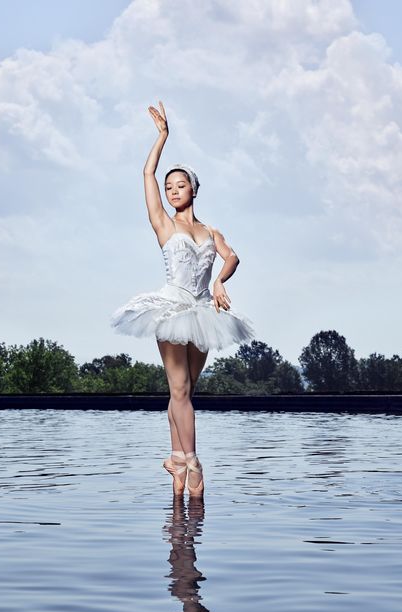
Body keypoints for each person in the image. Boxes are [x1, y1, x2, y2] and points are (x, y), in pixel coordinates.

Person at [110, 101, 255, 497]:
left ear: (193, 189)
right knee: (179, 390)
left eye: (180, 185)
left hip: (204, 312)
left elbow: (232, 257)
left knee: (186, 390)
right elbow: (147, 174)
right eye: (169, 186)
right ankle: (192, 462)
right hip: (172, 309)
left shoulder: (211, 229)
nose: (173, 191)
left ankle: (176, 458)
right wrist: (162, 137)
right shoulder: (162, 223)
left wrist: (220, 283)